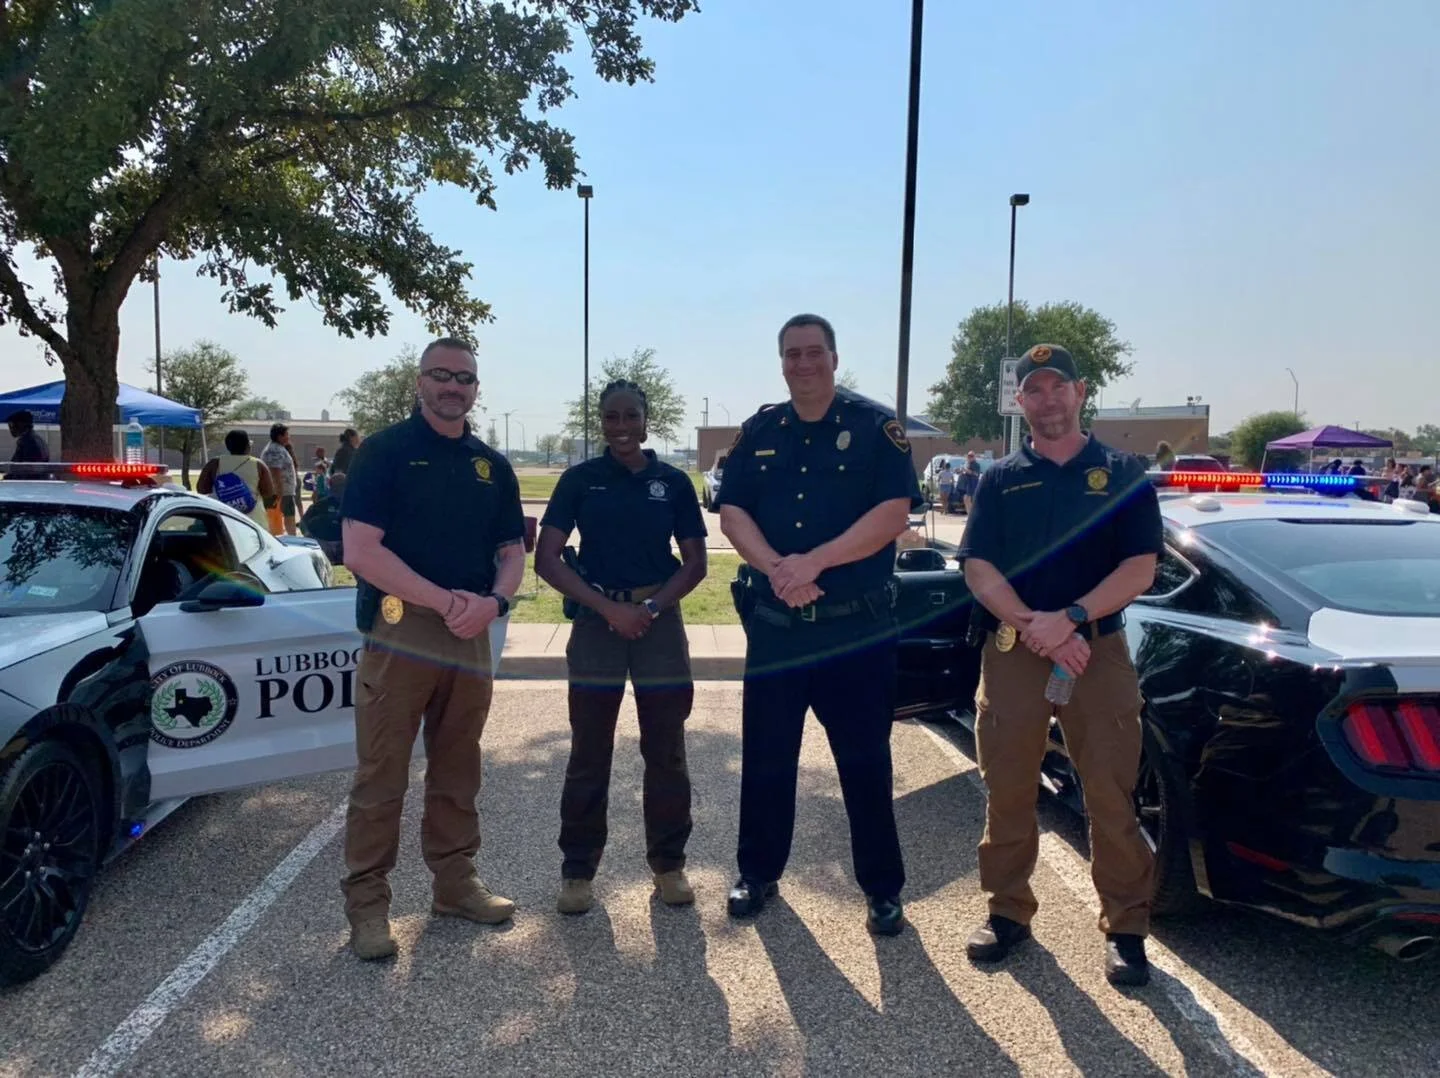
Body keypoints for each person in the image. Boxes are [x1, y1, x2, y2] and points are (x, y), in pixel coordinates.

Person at [959, 343, 1161, 988]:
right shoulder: (998, 478)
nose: (1047, 400)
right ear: (1020, 401)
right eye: (1034, 390)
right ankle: (1007, 912)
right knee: (1008, 789)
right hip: (1016, 650)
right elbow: (978, 566)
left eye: (1058, 386)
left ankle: (1126, 928)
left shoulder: (1123, 472)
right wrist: (1034, 625)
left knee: (1109, 793)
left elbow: (1140, 567)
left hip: (1095, 650)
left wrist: (1070, 618)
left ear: (1080, 392)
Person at [715, 313, 922, 936]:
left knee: (865, 762)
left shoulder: (875, 428)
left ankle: (882, 889)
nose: (802, 363)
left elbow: (893, 513)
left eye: (813, 352)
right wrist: (779, 569)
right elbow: (732, 512)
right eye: (792, 354)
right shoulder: (760, 431)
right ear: (781, 362)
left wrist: (815, 562)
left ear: (834, 357)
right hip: (778, 627)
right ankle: (757, 873)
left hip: (854, 632)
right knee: (767, 758)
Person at [338, 337, 526, 961]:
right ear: (419, 382)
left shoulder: (490, 466)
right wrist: (445, 601)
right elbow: (361, 551)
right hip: (403, 627)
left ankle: (455, 884)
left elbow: (511, 552)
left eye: (464, 378)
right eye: (441, 375)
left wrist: (494, 602)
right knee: (382, 771)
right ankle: (369, 906)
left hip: (470, 629)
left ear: (476, 389)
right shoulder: (384, 452)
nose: (453, 386)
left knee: (458, 765)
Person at [534, 380, 708, 915]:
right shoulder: (580, 481)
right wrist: (608, 608)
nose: (622, 427)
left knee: (666, 749)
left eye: (631, 416)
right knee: (589, 750)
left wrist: (649, 608)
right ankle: (577, 872)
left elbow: (696, 564)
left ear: (646, 420)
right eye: (612, 417)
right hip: (596, 623)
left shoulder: (672, 483)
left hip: (659, 624)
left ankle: (669, 865)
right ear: (602, 423)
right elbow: (547, 558)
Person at [197, 429, 277, 528]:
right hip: (252, 520)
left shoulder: (214, 463)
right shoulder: (258, 465)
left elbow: (202, 489)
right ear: (248, 446)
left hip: (223, 517)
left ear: (228, 446)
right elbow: (268, 493)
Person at [260, 423, 300, 535]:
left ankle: (289, 537)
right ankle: (291, 539)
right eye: (286, 434)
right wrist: (279, 492)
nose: (288, 437)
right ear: (279, 436)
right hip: (281, 492)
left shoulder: (279, 448)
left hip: (284, 491)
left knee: (287, 516)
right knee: (286, 517)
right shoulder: (274, 450)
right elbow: (275, 470)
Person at [300, 471, 346, 565]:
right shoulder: (320, 504)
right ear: (330, 485)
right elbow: (303, 522)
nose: (339, 489)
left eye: (341, 485)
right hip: (323, 543)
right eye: (336, 485)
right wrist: (308, 535)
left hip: (344, 545)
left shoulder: (353, 505)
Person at [6, 411, 50, 477]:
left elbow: (26, 469)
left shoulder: (29, 442)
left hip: (29, 482)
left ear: (21, 425)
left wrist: (10, 478)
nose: (10, 429)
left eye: (12, 425)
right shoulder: (35, 439)